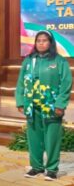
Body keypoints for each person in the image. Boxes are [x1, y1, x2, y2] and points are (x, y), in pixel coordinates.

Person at [15, 30, 72, 181]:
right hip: (32, 106)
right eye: (38, 40)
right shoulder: (28, 61)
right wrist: (20, 102)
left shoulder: (59, 61)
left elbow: (66, 84)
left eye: (44, 40)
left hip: (52, 106)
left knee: (52, 138)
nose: (41, 43)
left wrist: (60, 104)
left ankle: (52, 169)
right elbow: (21, 83)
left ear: (51, 43)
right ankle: (36, 167)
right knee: (34, 138)